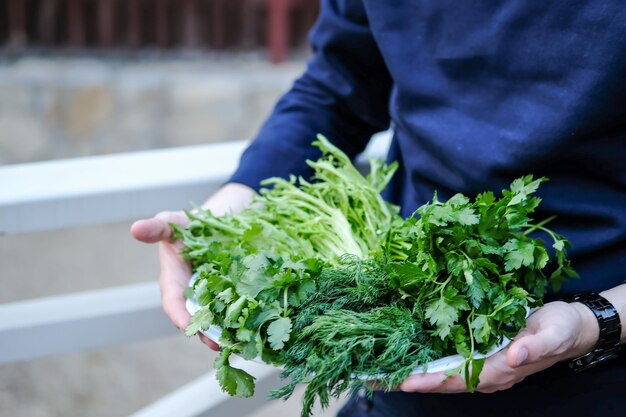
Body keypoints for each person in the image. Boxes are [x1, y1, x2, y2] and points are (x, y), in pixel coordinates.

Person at [131, 1, 626, 416]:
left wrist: (597, 321)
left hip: (601, 377)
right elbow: (339, 84)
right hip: (404, 357)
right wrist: (226, 214)